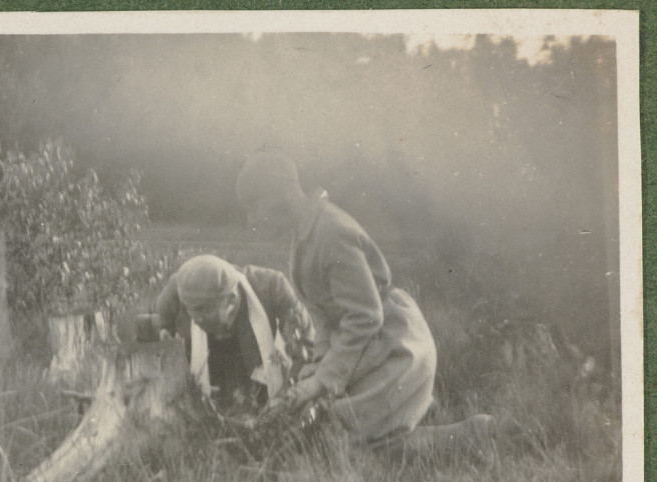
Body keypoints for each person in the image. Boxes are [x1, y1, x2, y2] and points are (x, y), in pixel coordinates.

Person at [234, 150, 494, 455]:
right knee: (320, 432)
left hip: (393, 345)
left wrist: (321, 381)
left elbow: (366, 316)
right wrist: (318, 366)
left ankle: (478, 432)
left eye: (255, 206)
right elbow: (323, 317)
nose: (253, 220)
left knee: (358, 449)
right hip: (366, 347)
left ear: (281, 193)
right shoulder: (305, 235)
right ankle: (411, 411)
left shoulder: (332, 232)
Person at [154, 254, 320, 417]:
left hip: (259, 377)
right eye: (189, 309)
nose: (196, 319)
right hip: (206, 378)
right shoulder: (179, 287)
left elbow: (308, 351)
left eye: (203, 309)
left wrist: (285, 395)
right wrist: (162, 344)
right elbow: (150, 336)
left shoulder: (272, 287)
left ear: (231, 300)